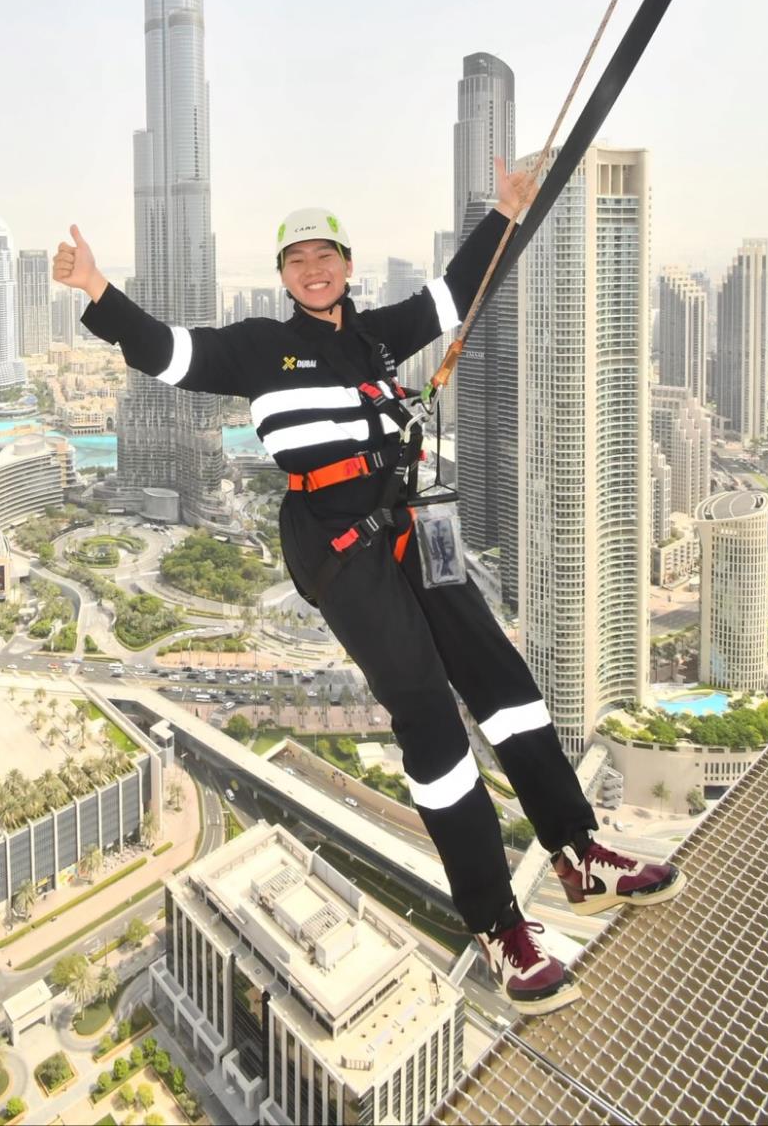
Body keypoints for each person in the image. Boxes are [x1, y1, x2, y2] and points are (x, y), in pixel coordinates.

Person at [53, 166, 683, 1016]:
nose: (313, 268)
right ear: (283, 275)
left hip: (415, 525)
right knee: (426, 712)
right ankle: (498, 924)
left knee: (504, 686)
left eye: (326, 254)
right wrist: (96, 288)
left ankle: (578, 851)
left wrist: (503, 212)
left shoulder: (381, 336)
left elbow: (455, 295)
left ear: (345, 264)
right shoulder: (256, 347)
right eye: (297, 258)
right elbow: (168, 352)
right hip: (341, 548)